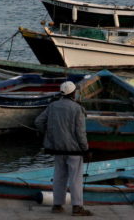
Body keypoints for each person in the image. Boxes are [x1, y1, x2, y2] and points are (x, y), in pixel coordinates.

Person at [35, 80, 92, 216]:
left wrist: (48, 134)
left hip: (57, 148)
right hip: (74, 150)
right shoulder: (77, 108)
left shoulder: (53, 106)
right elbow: (80, 133)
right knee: (75, 179)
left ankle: (57, 205)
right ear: (73, 93)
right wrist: (86, 149)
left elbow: (38, 122)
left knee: (59, 177)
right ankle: (77, 207)